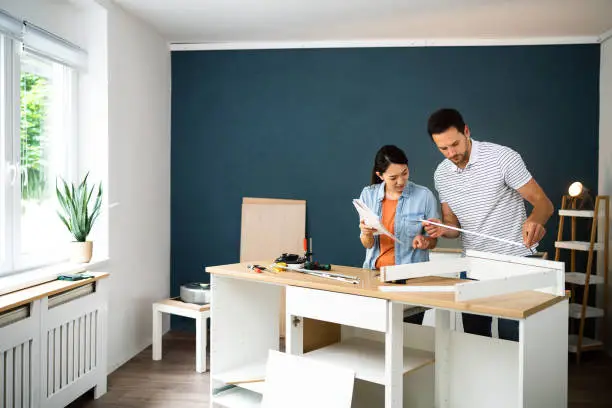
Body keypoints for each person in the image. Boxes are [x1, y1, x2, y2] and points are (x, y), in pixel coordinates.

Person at [422, 108, 554, 341]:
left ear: (466, 131)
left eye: (455, 144)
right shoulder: (441, 174)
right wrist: (443, 228)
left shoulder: (503, 158)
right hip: (473, 266)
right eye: (443, 148)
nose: (451, 152)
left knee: (512, 338)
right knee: (475, 339)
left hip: (515, 261)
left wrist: (535, 220)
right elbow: (453, 226)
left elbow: (544, 204)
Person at [358, 145, 440, 324]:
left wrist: (426, 241)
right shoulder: (368, 195)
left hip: (411, 279)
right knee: (378, 335)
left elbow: (434, 241)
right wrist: (366, 233)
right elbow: (367, 244)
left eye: (405, 173)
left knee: (410, 336)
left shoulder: (424, 196)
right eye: (393, 177)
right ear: (380, 176)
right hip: (375, 277)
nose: (401, 181)